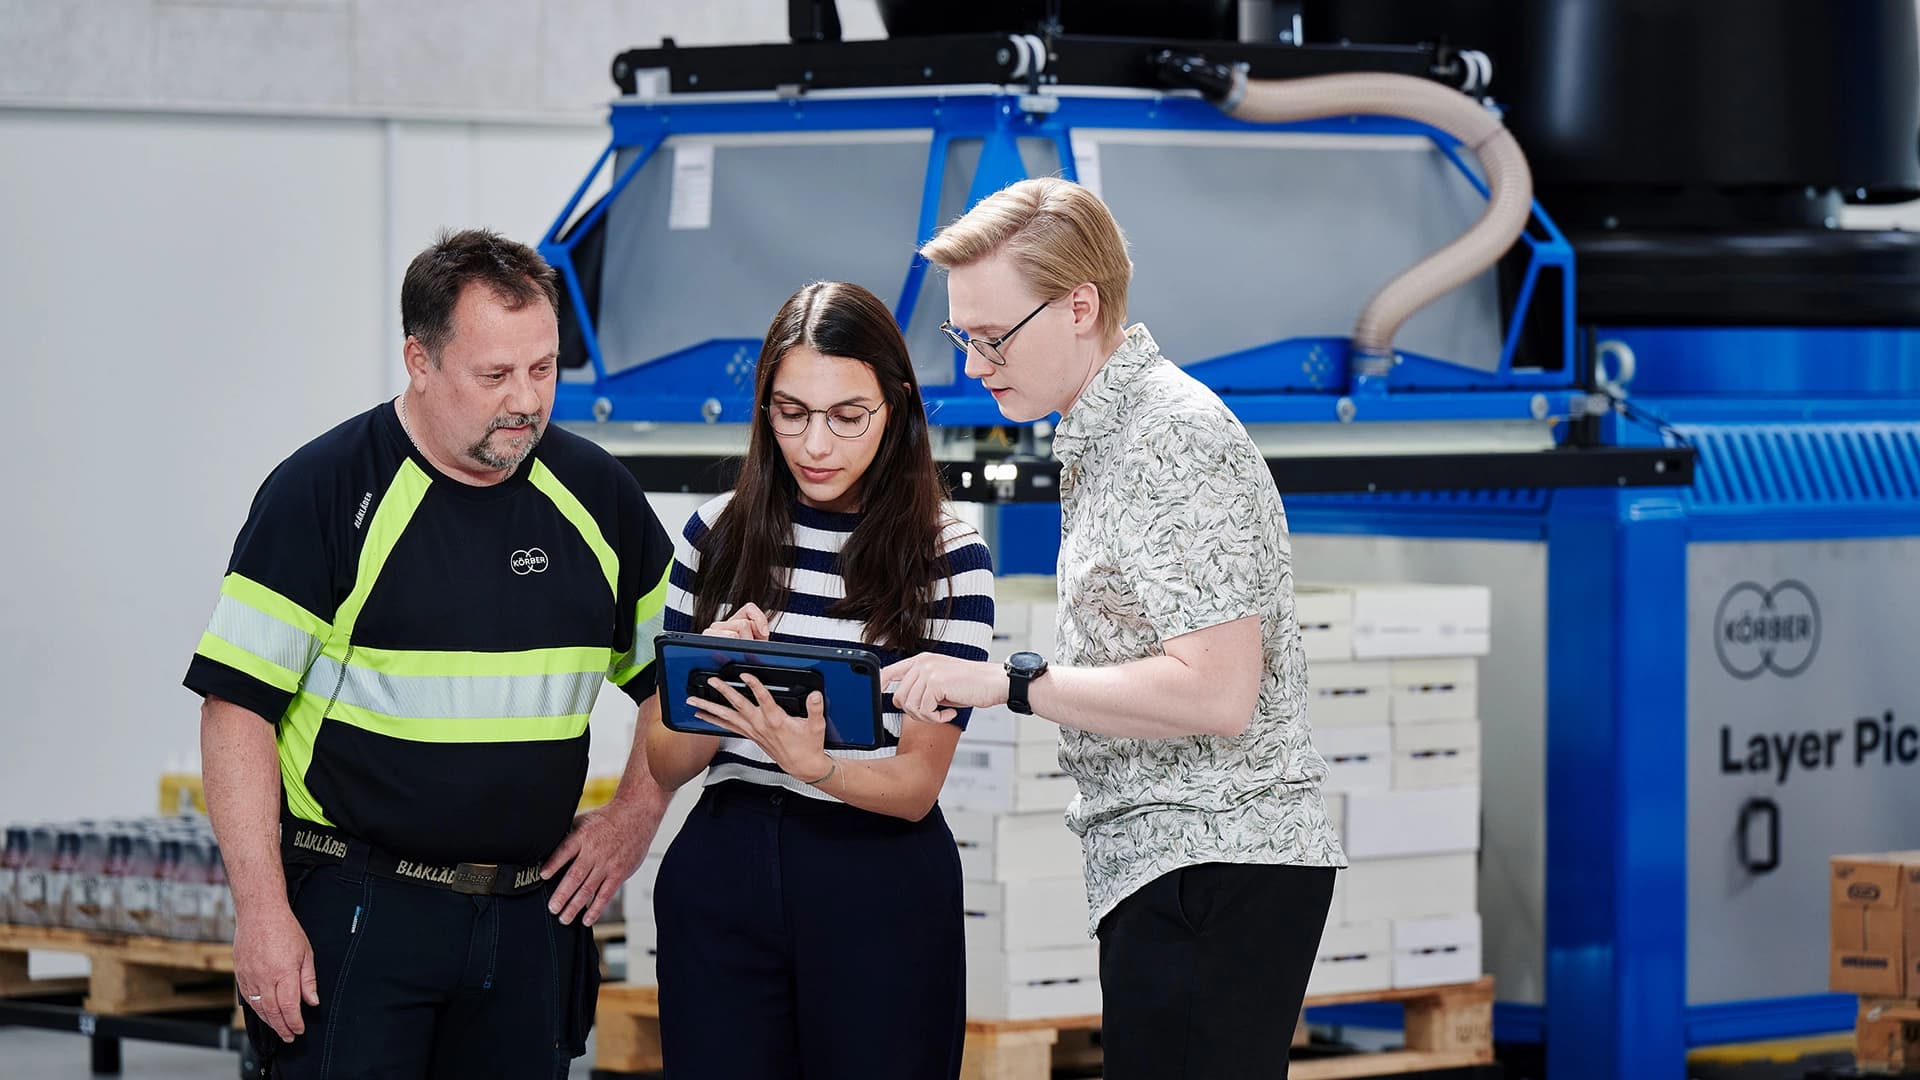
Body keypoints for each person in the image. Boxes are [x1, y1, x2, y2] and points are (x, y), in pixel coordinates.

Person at [183, 229, 677, 1079]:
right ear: (419, 359)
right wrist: (261, 911)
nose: (525, 399)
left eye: (545, 369)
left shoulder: (599, 497)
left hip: (530, 921)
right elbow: (237, 710)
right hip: (358, 914)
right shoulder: (324, 493)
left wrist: (634, 816)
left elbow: (676, 682)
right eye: (495, 375)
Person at [882, 177, 1347, 1079]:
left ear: (1080, 306)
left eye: (991, 337)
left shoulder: (1170, 441)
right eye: (961, 336)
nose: (974, 364)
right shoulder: (1109, 436)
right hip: (1173, 864)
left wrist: (1009, 681)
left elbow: (1218, 692)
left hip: (1215, 860)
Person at [645, 280, 995, 1080]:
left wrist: (818, 767)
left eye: (847, 416)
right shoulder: (714, 536)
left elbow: (915, 785)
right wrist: (711, 683)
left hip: (876, 879)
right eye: (791, 412)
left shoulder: (950, 557)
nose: (815, 444)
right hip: (723, 870)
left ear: (897, 407)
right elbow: (664, 762)